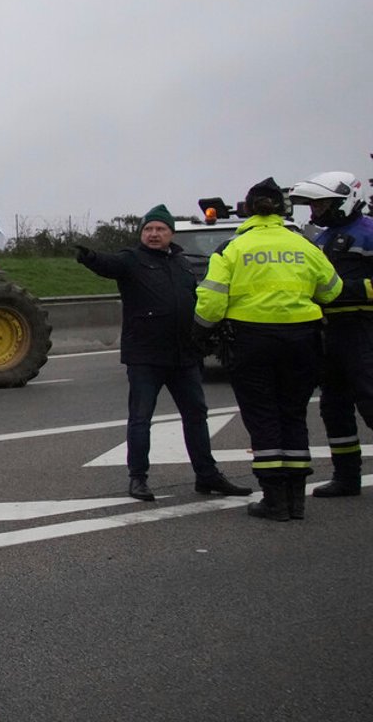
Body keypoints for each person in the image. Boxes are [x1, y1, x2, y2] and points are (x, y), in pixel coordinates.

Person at [77, 205, 250, 500]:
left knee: (196, 416)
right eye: (148, 229)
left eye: (160, 229)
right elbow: (108, 264)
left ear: (171, 233)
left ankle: (206, 475)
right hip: (146, 356)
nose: (153, 234)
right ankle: (138, 479)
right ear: (141, 233)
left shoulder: (182, 263)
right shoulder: (131, 260)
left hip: (184, 356)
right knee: (141, 418)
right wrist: (90, 257)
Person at [194, 178, 343, 521]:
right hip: (302, 341)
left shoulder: (233, 247)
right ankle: (296, 501)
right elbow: (332, 291)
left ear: (248, 208)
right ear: (281, 208)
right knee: (293, 414)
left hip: (252, 342)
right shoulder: (304, 245)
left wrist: (199, 332)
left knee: (263, 417)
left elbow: (212, 303)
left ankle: (274, 499)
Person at [287, 171, 373, 497]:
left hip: (363, 329)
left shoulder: (368, 233)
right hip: (329, 332)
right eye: (313, 204)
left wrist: (345, 290)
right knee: (334, 407)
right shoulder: (320, 239)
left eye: (321, 204)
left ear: (343, 200)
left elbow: (340, 288)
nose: (315, 211)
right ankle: (347, 477)